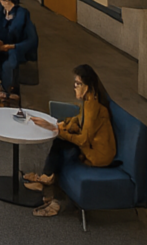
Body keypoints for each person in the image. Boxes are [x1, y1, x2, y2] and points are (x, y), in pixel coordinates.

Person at [24, 64, 117, 217]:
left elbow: (83, 140)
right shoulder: (90, 101)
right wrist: (60, 125)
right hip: (91, 147)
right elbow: (79, 120)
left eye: (78, 83)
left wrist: (58, 130)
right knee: (62, 144)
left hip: (98, 155)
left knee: (66, 150)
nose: (74, 87)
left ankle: (51, 188)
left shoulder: (93, 107)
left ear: (87, 86)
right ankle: (47, 181)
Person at [0, 0, 39, 101]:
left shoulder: (22, 14)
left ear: (11, 0)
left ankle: (7, 89)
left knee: (10, 58)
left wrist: (11, 46)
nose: (0, 2)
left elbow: (32, 40)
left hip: (16, 49)